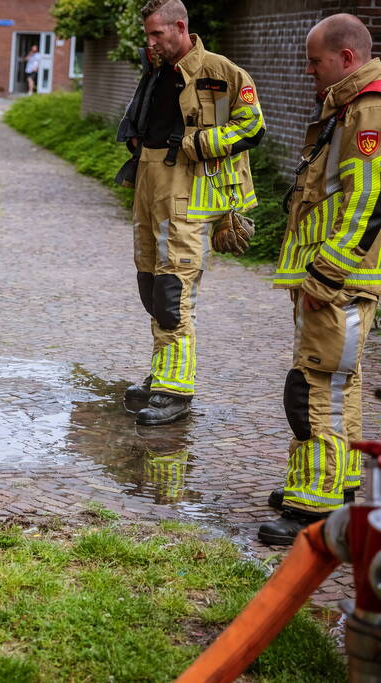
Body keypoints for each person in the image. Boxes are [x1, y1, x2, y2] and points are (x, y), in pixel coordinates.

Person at [259, 14, 381, 545]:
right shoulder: (349, 107)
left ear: (347, 58)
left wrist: (325, 274)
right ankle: (343, 486)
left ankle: (315, 506)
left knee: (315, 389)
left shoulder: (368, 110)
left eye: (315, 62)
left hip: (338, 282)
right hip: (336, 281)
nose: (310, 72)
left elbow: (368, 199)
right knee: (339, 386)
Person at [116, 0, 264, 425]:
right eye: (147, 35)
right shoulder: (157, 68)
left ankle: (175, 391)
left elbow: (252, 127)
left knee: (172, 294)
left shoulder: (222, 72)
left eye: (156, 34)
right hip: (150, 184)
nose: (150, 42)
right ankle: (164, 373)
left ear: (180, 27)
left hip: (190, 194)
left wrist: (199, 145)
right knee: (150, 283)